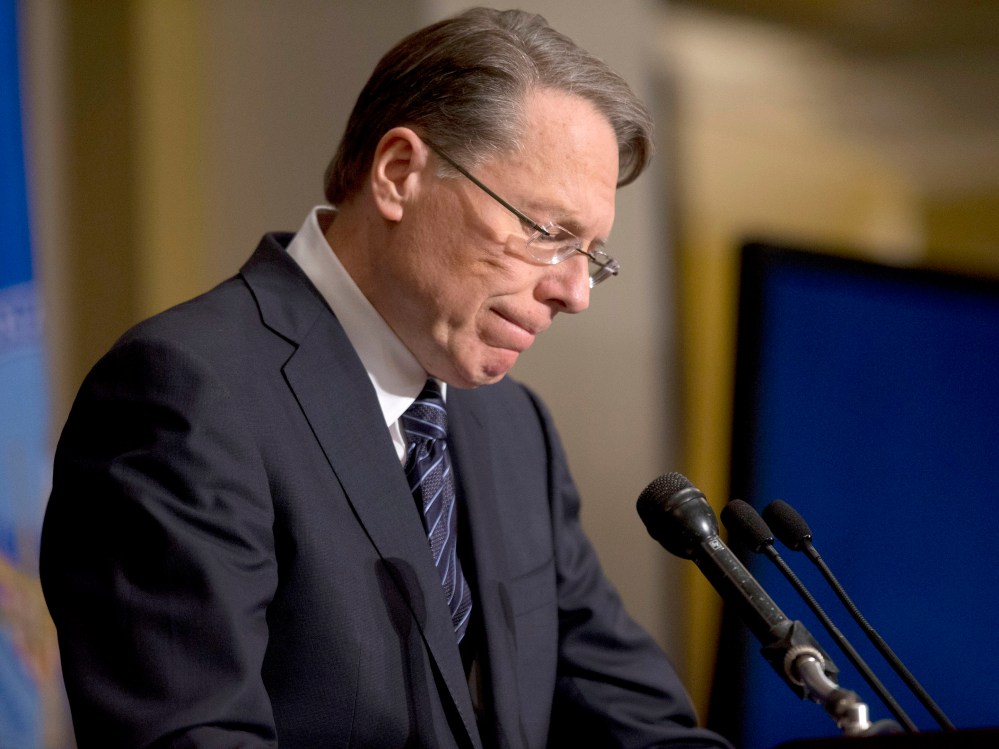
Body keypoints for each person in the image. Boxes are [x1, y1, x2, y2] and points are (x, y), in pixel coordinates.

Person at [40, 7, 732, 748]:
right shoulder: (187, 393)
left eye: (591, 254)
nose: (575, 292)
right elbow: (192, 736)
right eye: (547, 233)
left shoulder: (511, 428)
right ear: (400, 174)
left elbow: (635, 721)